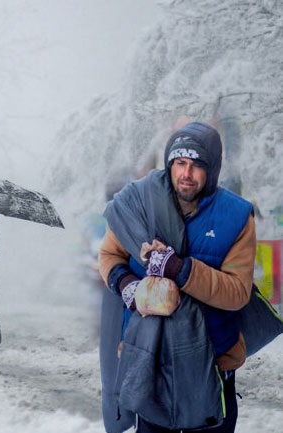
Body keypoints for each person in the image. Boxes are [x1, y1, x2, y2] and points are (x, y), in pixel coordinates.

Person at [98, 121, 256, 432]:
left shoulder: (236, 216)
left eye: (197, 166)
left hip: (212, 362)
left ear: (212, 169)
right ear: (169, 163)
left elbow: (238, 292)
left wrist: (179, 269)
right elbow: (109, 255)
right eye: (180, 163)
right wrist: (126, 285)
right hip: (149, 358)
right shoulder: (138, 202)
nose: (186, 173)